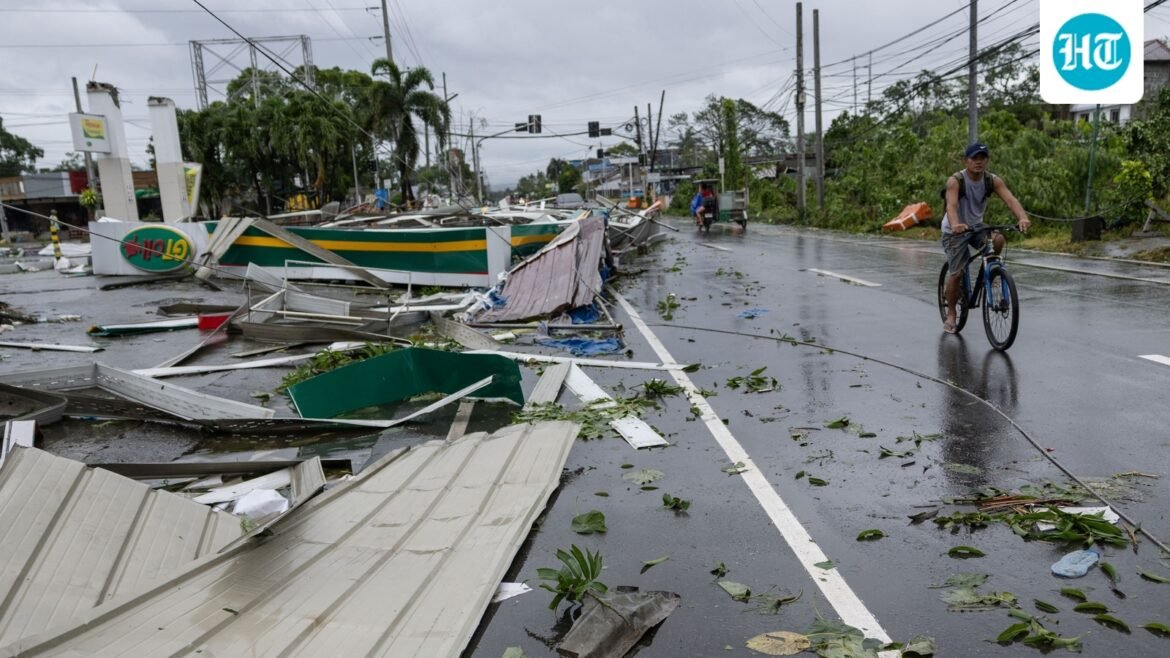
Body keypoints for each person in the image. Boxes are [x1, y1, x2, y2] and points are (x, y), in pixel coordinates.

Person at [941, 142, 1031, 334]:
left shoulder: (992, 180)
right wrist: (956, 224)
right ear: (967, 160)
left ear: (987, 160)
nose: (979, 162)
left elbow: (1010, 199)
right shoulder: (956, 181)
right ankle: (951, 314)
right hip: (954, 230)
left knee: (998, 239)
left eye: (983, 158)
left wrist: (1022, 217)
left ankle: (991, 274)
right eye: (975, 158)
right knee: (956, 273)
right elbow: (951, 206)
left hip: (976, 227)